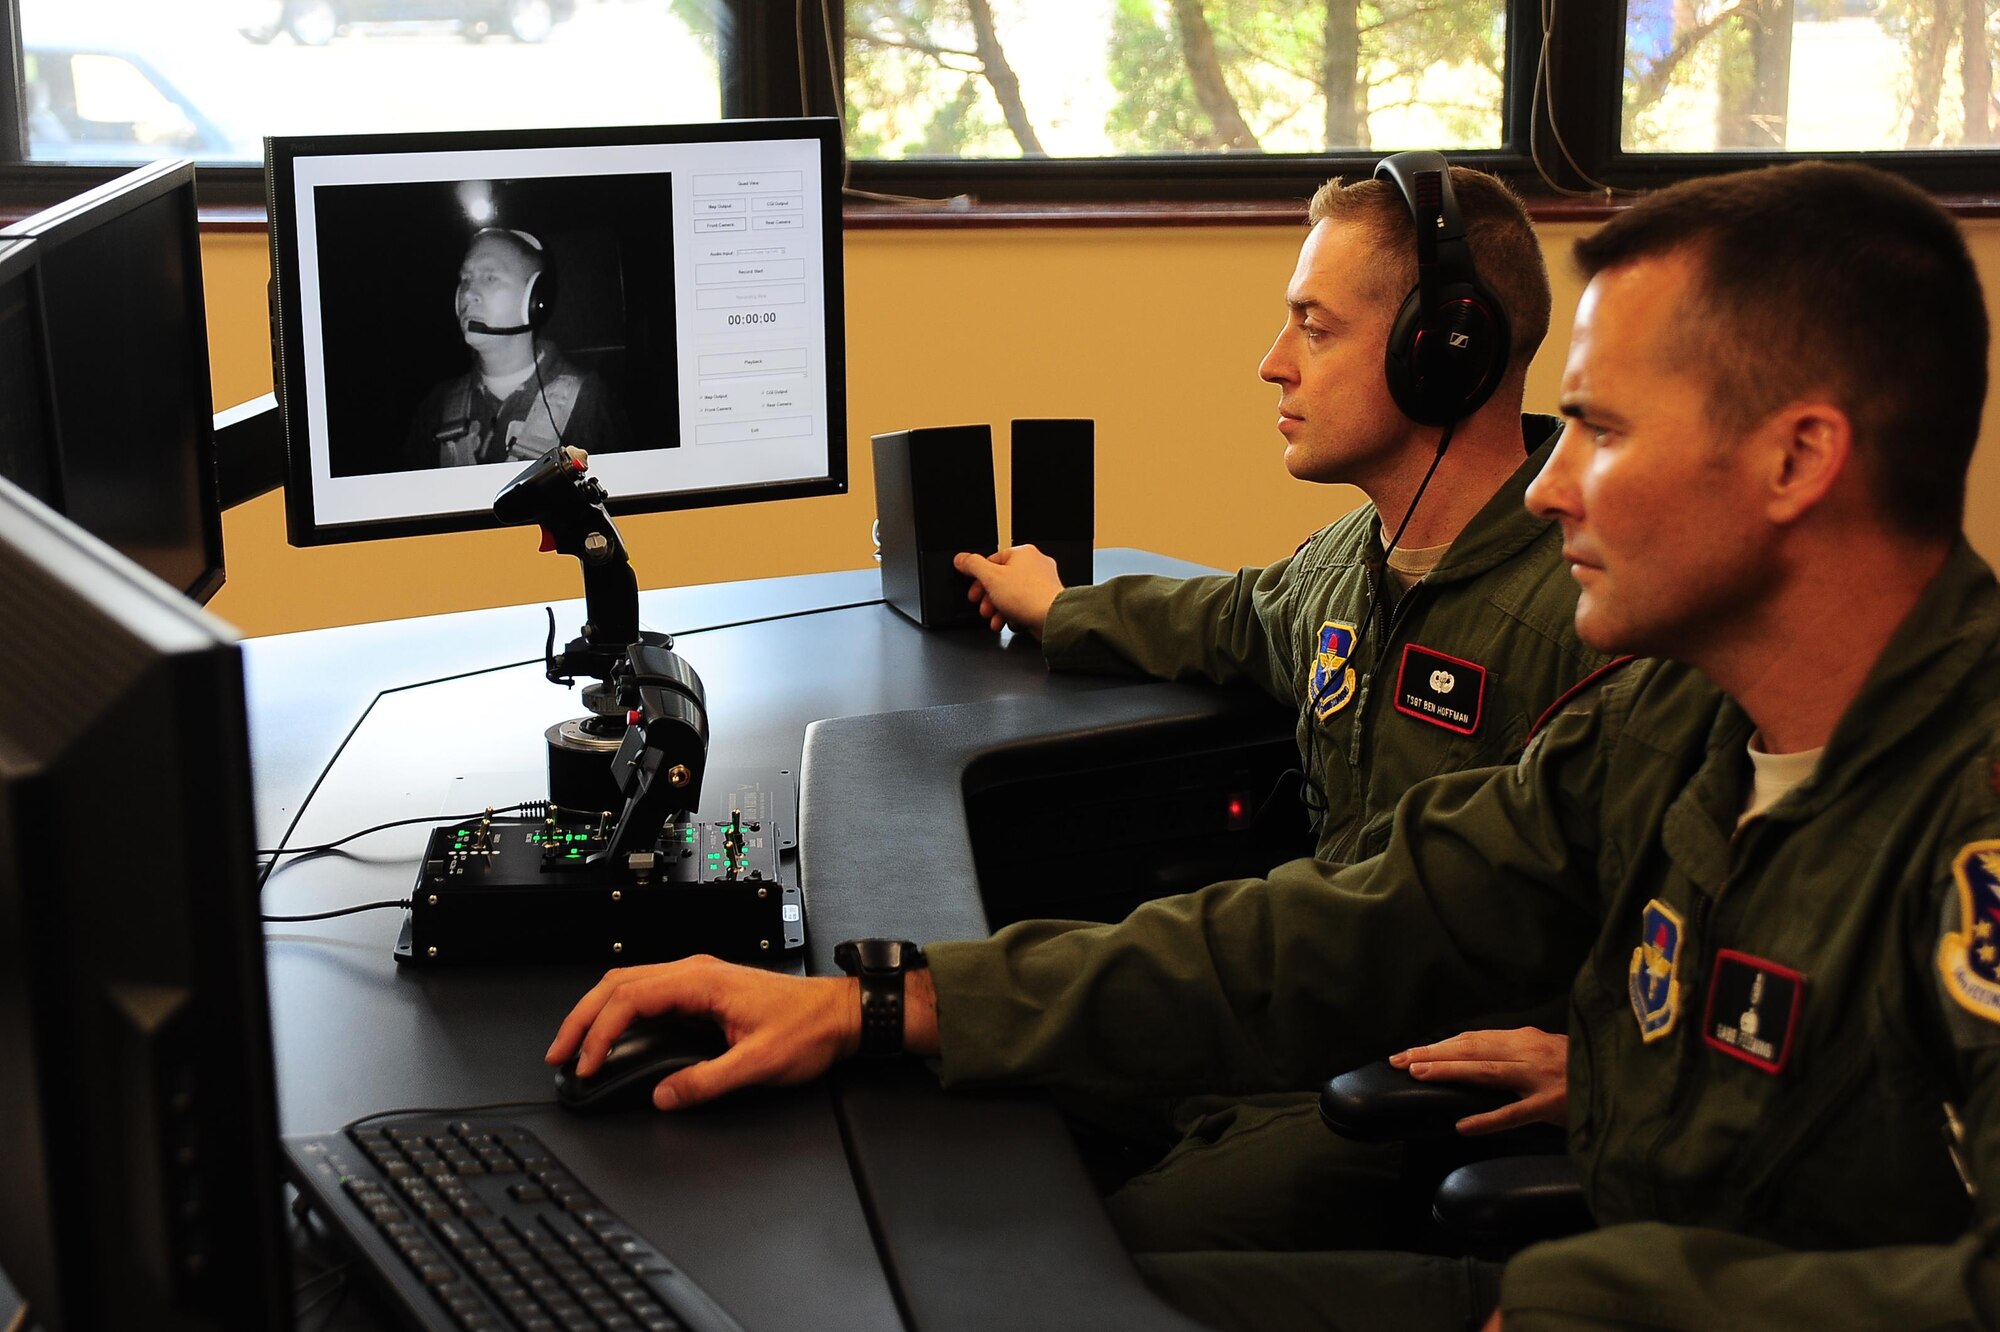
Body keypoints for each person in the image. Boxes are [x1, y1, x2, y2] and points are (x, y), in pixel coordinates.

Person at [548, 160, 2000, 1329]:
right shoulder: (1679, 722)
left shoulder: (1968, 811)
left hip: (1604, 1293)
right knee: (1008, 1286)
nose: (1551, 488)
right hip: (1579, 1283)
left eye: (1599, 432)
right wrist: (880, 1004)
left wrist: (1606, 1297)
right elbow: (1341, 925)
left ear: (1799, 460)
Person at [951, 161, 1612, 1253]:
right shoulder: (1353, 562)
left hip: (1418, 1087)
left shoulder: (1585, 614)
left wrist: (1605, 1060)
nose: (1271, 365)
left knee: (1120, 1254)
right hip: (1302, 1017)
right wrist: (1060, 607)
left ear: (1444, 350)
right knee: (974, 1076)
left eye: (1313, 327)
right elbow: (1231, 615)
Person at [404, 227, 629, 470]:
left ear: (534, 299)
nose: (467, 294)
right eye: (465, 279)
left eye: (490, 278)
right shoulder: (437, 407)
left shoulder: (589, 403)